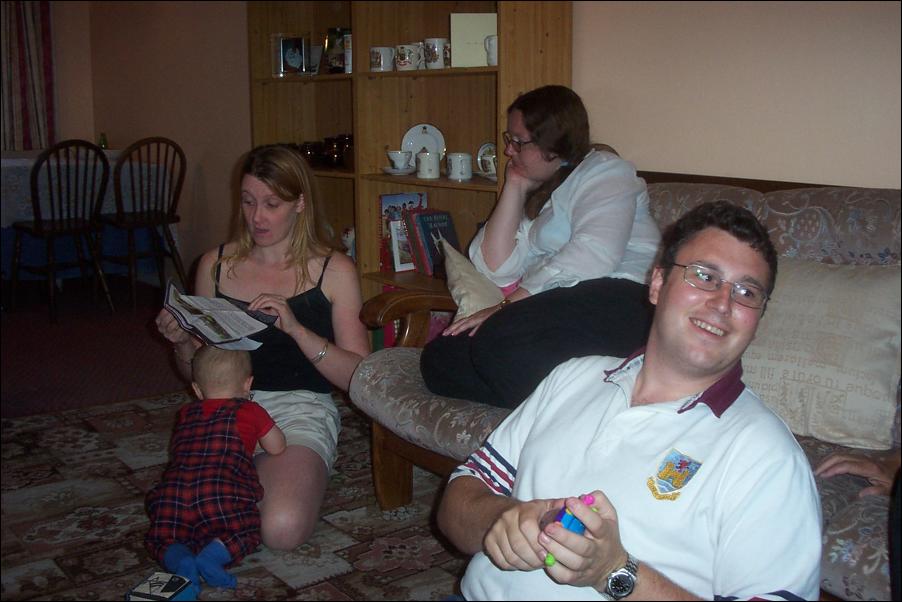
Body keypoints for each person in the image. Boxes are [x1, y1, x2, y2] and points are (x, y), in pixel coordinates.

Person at [436, 201, 822, 600]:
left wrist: (614, 571)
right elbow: (457, 502)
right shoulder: (572, 377)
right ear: (657, 283)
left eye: (747, 292)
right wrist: (503, 519)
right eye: (705, 276)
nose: (723, 303)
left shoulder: (767, 456)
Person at [155, 144, 370, 552]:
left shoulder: (334, 270)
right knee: (185, 515)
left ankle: (295, 470)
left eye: (272, 204)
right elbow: (199, 375)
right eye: (248, 201)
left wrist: (297, 330)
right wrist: (183, 342)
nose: (257, 217)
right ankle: (265, 477)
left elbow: (359, 377)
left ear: (300, 203)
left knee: (281, 530)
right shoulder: (215, 265)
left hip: (300, 408)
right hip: (223, 410)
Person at [420, 85, 661, 408]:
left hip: (620, 299)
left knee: (497, 340)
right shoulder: (544, 192)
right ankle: (575, 404)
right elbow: (495, 268)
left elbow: (595, 254)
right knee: (440, 358)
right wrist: (515, 186)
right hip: (559, 308)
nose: (509, 151)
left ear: (553, 142)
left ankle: (575, 410)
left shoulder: (606, 171)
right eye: (509, 140)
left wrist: (506, 307)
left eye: (518, 142)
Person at [145, 346, 286, 592]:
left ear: (197, 389)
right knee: (245, 529)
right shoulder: (251, 410)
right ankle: (211, 558)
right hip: (221, 493)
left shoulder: (186, 413)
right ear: (248, 384)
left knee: (164, 537)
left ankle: (181, 559)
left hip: (174, 493)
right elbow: (277, 447)